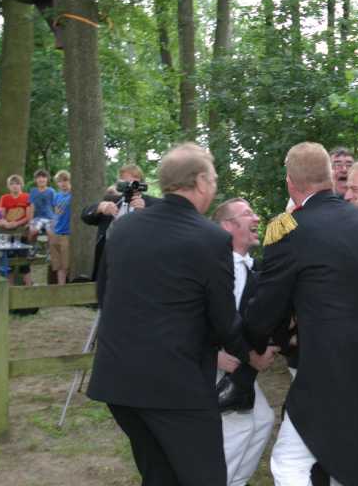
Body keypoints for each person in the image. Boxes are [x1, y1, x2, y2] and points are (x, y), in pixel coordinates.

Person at [87, 143, 276, 486]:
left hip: (119, 381)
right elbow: (223, 320)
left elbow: (103, 295)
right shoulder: (210, 238)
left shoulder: (124, 228)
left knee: (160, 475)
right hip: (175, 386)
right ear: (201, 181)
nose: (214, 187)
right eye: (213, 180)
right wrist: (251, 354)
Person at [244, 141, 358, 486]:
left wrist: (252, 341)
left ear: (290, 183)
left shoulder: (288, 229)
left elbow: (267, 305)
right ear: (329, 176)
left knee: (290, 462)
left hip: (331, 367)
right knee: (355, 458)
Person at [212, 198, 276, 486]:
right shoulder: (219, 266)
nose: (256, 218)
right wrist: (213, 354)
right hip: (214, 363)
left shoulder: (248, 268)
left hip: (237, 362)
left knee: (262, 420)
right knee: (238, 427)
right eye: (247, 213)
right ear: (228, 226)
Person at [81, 164, 158, 280]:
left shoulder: (153, 204)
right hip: (109, 265)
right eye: (126, 183)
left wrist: (145, 212)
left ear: (142, 184)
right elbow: (85, 217)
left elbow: (161, 231)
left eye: (134, 182)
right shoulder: (112, 200)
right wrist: (99, 208)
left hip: (139, 265)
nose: (130, 186)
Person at [0, 174, 33, 286]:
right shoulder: (4, 198)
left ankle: (28, 286)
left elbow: (28, 216)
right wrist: (6, 224)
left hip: (22, 232)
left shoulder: (27, 197)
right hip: (8, 233)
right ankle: (10, 288)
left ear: (21, 185)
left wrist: (17, 223)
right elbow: (1, 214)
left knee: (24, 260)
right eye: (12, 184)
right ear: (8, 186)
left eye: (17, 183)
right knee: (9, 261)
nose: (15, 186)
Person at [51, 171, 71, 285]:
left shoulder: (73, 195)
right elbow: (56, 213)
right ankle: (60, 287)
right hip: (56, 233)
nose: (63, 183)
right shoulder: (57, 196)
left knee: (66, 265)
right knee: (58, 265)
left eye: (65, 180)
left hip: (68, 233)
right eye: (59, 181)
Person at [28, 169, 56, 247]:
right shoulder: (33, 191)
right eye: (39, 177)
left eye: (43, 177)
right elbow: (32, 207)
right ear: (35, 180)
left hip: (50, 218)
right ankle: (30, 248)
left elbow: (55, 206)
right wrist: (30, 221)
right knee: (33, 231)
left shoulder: (51, 191)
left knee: (51, 233)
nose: (41, 179)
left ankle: (50, 251)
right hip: (37, 218)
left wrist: (55, 219)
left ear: (47, 179)